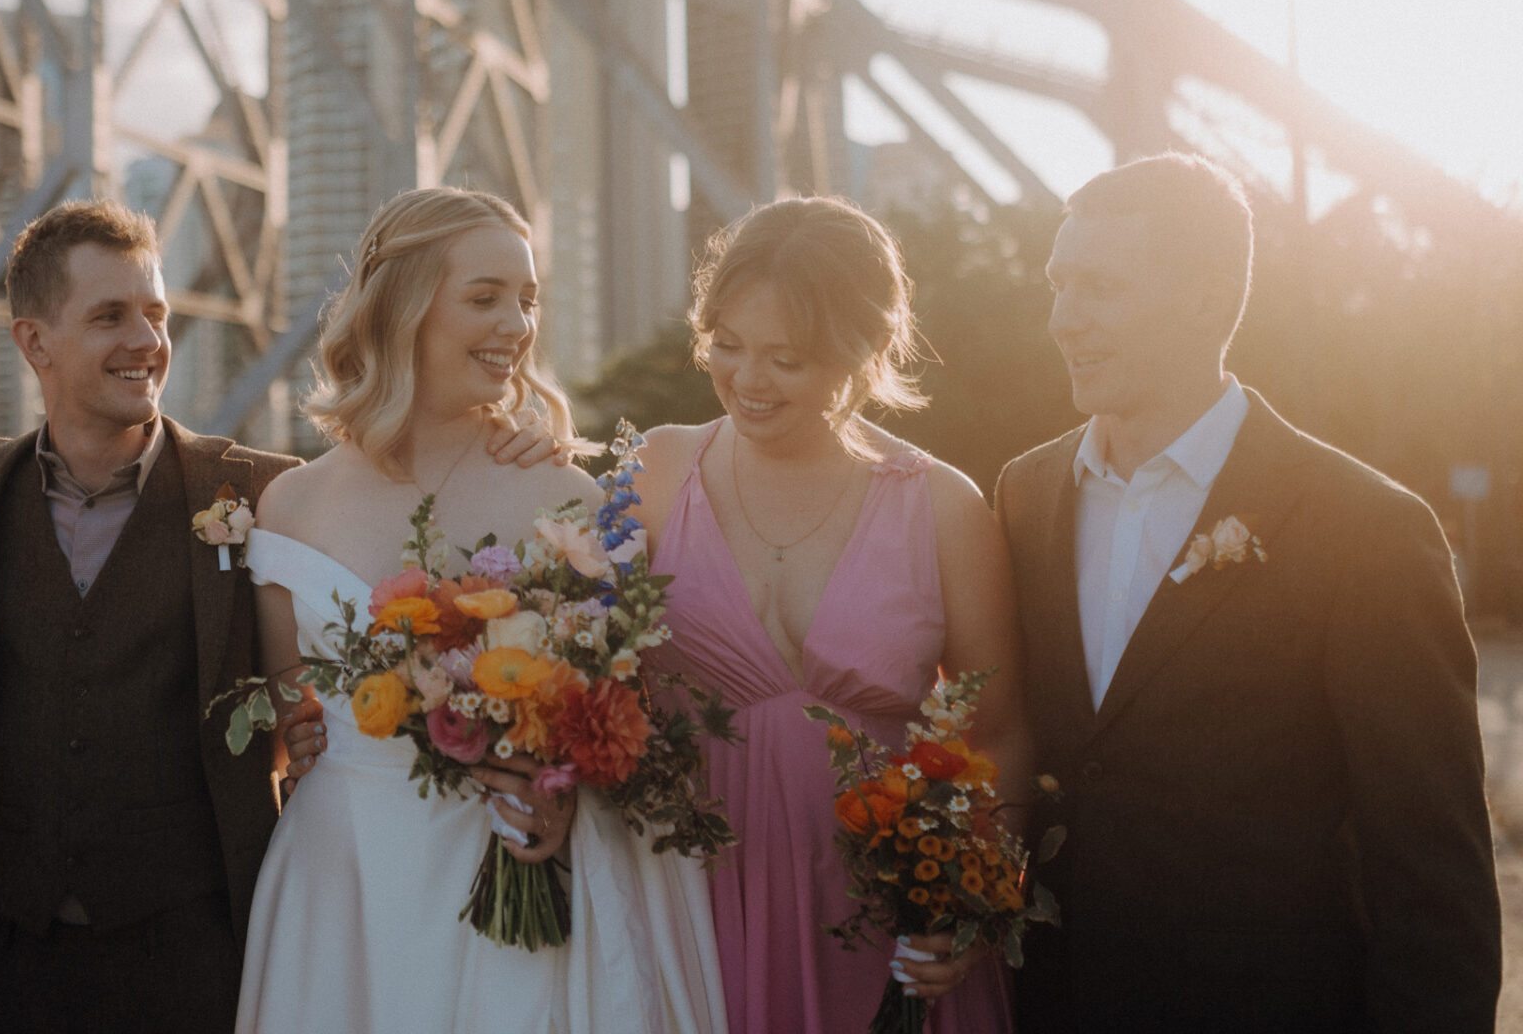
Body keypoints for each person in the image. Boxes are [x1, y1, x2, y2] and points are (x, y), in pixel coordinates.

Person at [0, 197, 572, 1033]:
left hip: (194, 950)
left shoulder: (263, 492)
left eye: (156, 313)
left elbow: (397, 517)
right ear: (34, 341)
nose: (146, 341)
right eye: (110, 316)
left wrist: (520, 440)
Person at [998, 153, 1499, 1033]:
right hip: (1053, 1004)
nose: (1062, 319)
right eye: (1057, 285)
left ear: (1205, 297)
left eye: (1099, 288)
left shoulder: (1368, 529)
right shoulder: (1025, 494)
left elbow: (1432, 874)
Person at [233, 186, 728, 1033]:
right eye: (485, 297)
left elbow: (627, 714)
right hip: (347, 888)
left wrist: (564, 789)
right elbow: (291, 732)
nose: (516, 326)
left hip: (520, 868)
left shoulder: (566, 495)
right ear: (406, 306)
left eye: (528, 300)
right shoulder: (290, 506)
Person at [632, 196, 1026, 1034]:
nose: (746, 380)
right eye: (726, 346)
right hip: (691, 906)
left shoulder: (945, 508)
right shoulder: (657, 469)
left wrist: (971, 903)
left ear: (867, 349)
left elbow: (999, 736)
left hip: (884, 927)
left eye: (786, 358)